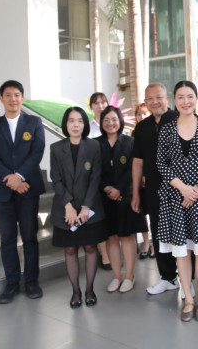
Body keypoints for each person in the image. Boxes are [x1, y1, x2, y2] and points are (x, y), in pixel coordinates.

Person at [155, 81, 198, 322]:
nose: (186, 101)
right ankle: (188, 299)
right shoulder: (166, 129)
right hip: (175, 198)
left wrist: (196, 188)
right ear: (174, 100)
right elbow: (161, 163)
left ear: (197, 98)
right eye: (181, 97)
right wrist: (183, 188)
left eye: (190, 96)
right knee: (182, 252)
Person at [0, 80, 45, 304]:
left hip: (28, 190)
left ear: (22, 98)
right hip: (3, 192)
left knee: (30, 237)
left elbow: (37, 152)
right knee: (7, 238)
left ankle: (31, 280)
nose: (13, 99)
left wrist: (20, 176)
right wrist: (12, 180)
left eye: (17, 95)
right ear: (1, 99)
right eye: (8, 95)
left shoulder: (34, 122)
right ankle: (11, 282)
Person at [49, 107, 105, 308]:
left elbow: (95, 178)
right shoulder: (56, 148)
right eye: (71, 120)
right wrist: (68, 206)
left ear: (85, 124)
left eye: (80, 121)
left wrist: (85, 207)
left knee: (90, 247)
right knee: (70, 249)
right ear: (66, 124)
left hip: (89, 207)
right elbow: (56, 179)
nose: (76, 125)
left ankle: (89, 289)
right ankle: (75, 291)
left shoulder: (94, 146)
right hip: (65, 209)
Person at [131, 83, 182, 294]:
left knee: (183, 235)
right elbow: (137, 162)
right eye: (150, 98)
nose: (154, 102)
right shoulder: (142, 127)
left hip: (181, 191)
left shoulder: (181, 119)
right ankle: (168, 278)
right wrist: (135, 193)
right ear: (145, 102)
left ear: (167, 99)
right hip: (153, 191)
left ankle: (187, 280)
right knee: (160, 235)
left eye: (158, 97)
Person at [98, 106, 148, 294]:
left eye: (114, 119)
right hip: (104, 197)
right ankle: (117, 276)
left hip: (126, 195)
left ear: (120, 121)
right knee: (111, 237)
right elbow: (95, 172)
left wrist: (118, 188)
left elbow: (133, 169)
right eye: (106, 120)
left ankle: (129, 276)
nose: (110, 123)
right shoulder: (95, 144)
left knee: (126, 236)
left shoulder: (130, 142)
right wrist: (107, 188)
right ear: (101, 123)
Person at [87, 92, 111, 271]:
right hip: (95, 179)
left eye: (103, 102)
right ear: (91, 107)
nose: (100, 106)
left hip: (113, 178)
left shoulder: (113, 123)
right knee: (100, 218)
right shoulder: (88, 128)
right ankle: (105, 255)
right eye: (96, 103)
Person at [133, 103, 154, 260]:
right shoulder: (133, 133)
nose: (141, 117)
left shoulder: (155, 130)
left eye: (144, 113)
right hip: (138, 181)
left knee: (154, 214)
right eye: (139, 114)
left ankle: (154, 244)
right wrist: (139, 178)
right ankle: (145, 243)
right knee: (142, 214)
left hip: (153, 179)